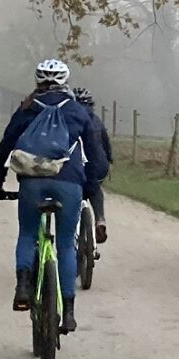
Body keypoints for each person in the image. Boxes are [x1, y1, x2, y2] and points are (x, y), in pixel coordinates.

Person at [0, 59, 108, 333]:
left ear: (37, 82)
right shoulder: (78, 111)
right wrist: (91, 186)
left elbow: (4, 149)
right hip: (69, 183)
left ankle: (22, 288)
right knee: (66, 245)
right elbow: (97, 158)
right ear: (65, 81)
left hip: (31, 183)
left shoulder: (27, 108)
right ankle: (69, 312)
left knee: (28, 234)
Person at [72, 88, 113, 243]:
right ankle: (100, 219)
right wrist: (109, 160)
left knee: (72, 191)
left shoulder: (68, 120)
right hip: (99, 166)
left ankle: (72, 228)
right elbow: (106, 145)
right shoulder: (96, 121)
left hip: (76, 166)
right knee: (95, 188)